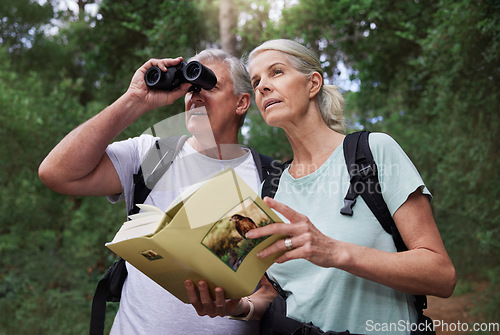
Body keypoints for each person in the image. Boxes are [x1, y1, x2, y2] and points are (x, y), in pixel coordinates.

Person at [185, 39, 457, 334]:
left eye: (276, 72)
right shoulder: (270, 188)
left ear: (313, 84)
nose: (262, 86)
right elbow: (273, 292)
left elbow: (441, 275)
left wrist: (335, 252)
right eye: (256, 80)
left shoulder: (373, 153)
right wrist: (239, 306)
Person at [38, 49, 272, 334]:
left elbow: (275, 291)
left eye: (209, 86)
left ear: (242, 102)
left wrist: (243, 306)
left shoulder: (270, 180)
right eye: (190, 88)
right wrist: (134, 101)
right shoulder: (154, 155)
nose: (195, 96)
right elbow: (56, 173)